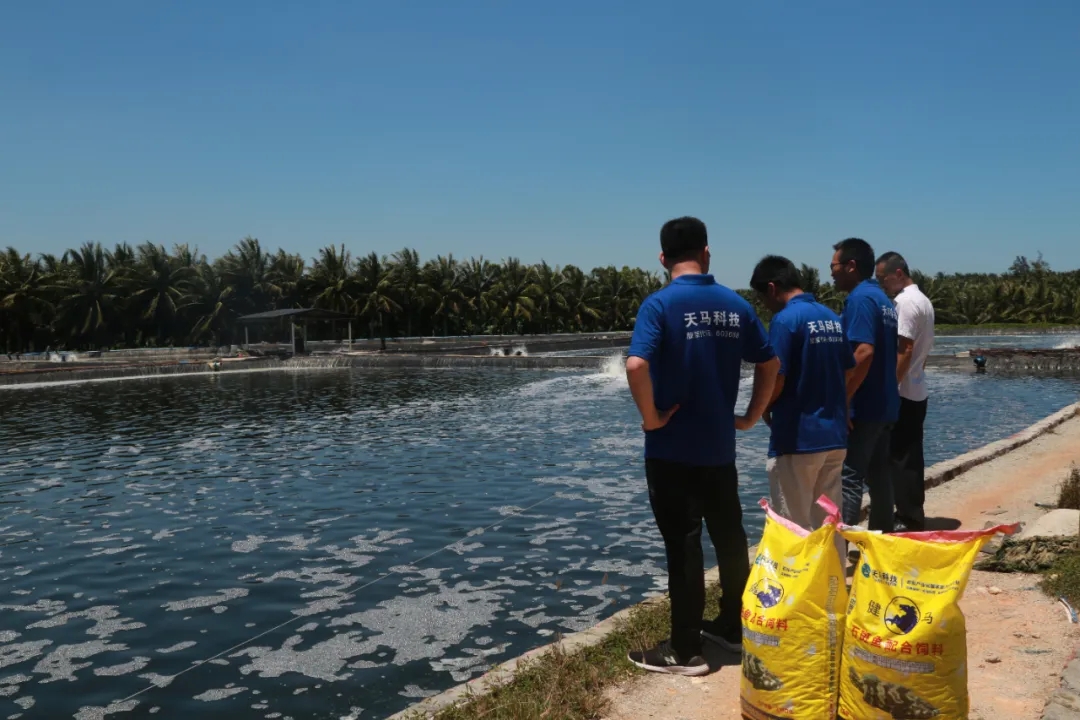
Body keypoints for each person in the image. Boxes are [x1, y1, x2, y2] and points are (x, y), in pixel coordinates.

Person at [625, 217, 779, 675]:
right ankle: (735, 627)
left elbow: (636, 366)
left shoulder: (659, 305)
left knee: (684, 547)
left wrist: (651, 419)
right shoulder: (734, 305)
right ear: (706, 253)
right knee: (731, 538)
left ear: (662, 258)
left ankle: (685, 649)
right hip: (719, 448)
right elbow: (769, 363)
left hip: (671, 451)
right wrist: (752, 417)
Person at [749, 255, 854, 562]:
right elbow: (848, 369)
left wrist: (760, 409)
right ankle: (832, 597)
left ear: (772, 287)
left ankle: (799, 602)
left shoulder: (785, 320)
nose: (764, 305)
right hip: (834, 436)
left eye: (761, 297)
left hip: (798, 437)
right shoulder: (830, 317)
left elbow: (776, 375)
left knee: (793, 526)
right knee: (828, 522)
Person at [829, 238, 899, 538]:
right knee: (880, 474)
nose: (831, 273)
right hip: (885, 403)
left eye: (834, 266)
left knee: (850, 476)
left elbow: (863, 352)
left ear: (851, 266)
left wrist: (843, 399)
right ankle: (880, 542)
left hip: (864, 405)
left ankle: (840, 548)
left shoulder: (859, 299)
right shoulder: (883, 299)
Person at [876, 251, 935, 531]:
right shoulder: (923, 300)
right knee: (910, 456)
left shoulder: (905, 302)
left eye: (883, 279)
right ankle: (911, 513)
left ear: (898, 273)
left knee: (899, 457)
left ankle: (908, 517)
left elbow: (905, 348)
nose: (882, 285)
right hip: (917, 387)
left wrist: (890, 387)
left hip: (904, 390)